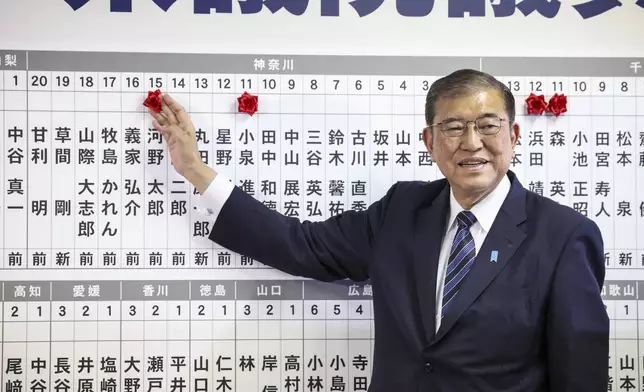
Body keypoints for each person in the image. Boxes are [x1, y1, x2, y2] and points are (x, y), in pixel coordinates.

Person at [148, 69, 609, 391]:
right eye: (452, 127)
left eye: (488, 125)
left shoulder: (565, 236)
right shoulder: (402, 210)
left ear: (514, 135)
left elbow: (581, 377)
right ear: (429, 142)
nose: (472, 143)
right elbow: (303, 246)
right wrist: (194, 170)